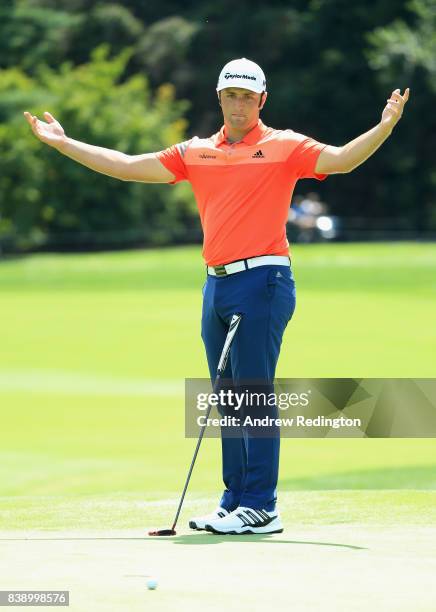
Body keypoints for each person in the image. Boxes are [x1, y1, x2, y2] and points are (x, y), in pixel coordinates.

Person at [24, 57, 409, 535]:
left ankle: (262, 505)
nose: (240, 104)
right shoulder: (196, 151)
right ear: (219, 97)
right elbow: (126, 166)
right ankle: (234, 501)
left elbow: (342, 159)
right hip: (217, 282)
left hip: (264, 279)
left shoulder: (284, 145)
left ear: (261, 100)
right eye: (232, 95)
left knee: (253, 392)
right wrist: (63, 144)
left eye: (249, 96)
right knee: (227, 396)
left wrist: (384, 125)